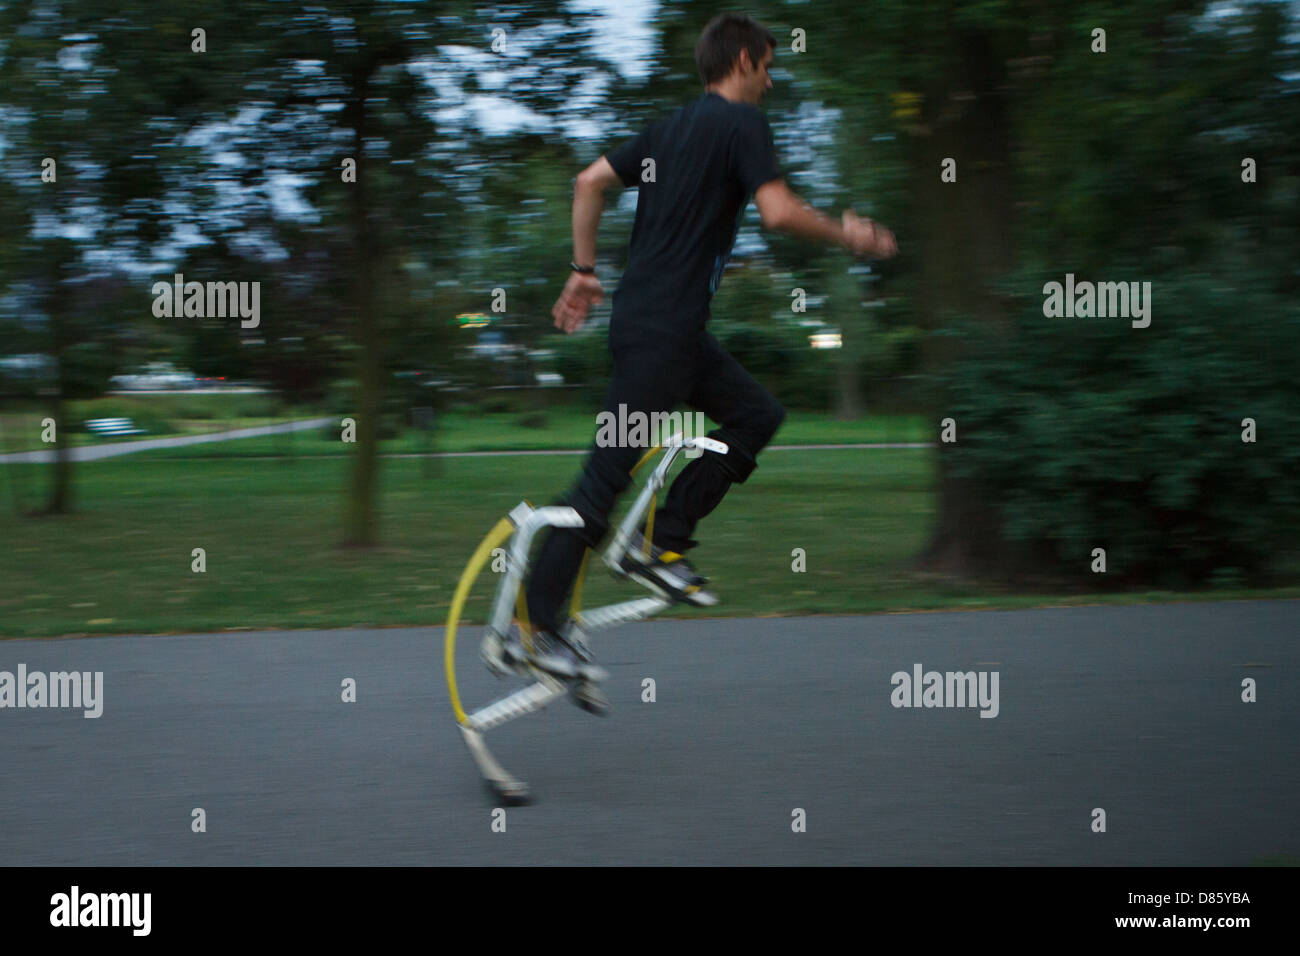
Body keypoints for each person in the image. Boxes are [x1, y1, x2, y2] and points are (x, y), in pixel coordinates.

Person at [517, 13, 897, 713]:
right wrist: (846, 234)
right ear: (744, 60)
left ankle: (660, 541)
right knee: (602, 480)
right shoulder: (742, 122)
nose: (771, 81)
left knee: (757, 415)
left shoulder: (667, 131)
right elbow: (778, 212)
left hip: (671, 334)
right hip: (660, 339)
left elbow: (588, 181)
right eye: (768, 66)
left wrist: (583, 270)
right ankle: (537, 626)